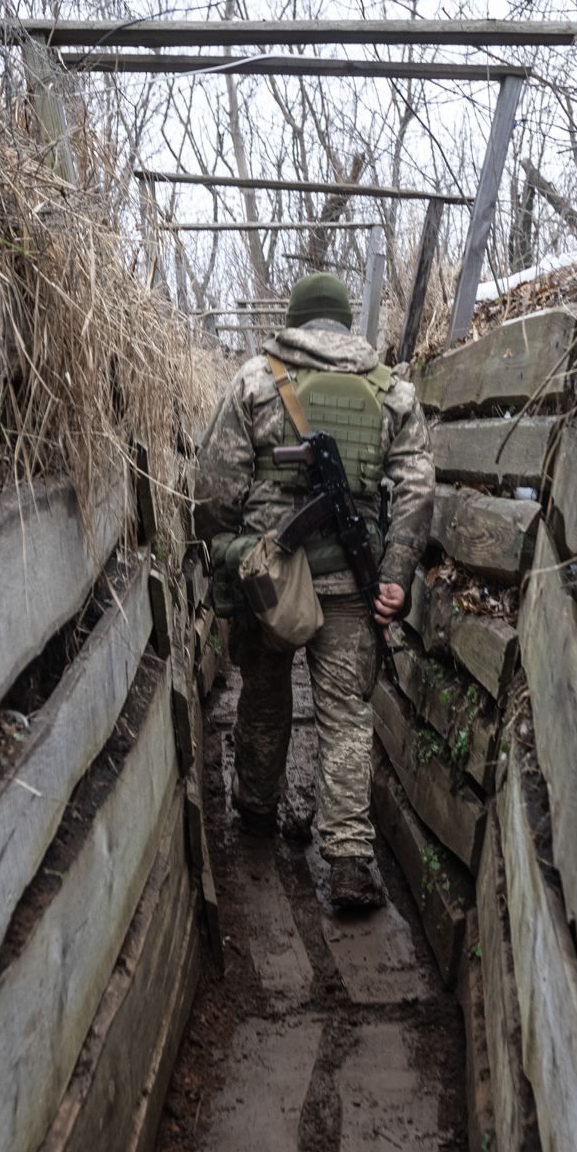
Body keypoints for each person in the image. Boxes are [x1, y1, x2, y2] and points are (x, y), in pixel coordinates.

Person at [194, 270, 435, 911]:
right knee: (346, 716)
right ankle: (350, 860)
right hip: (353, 583)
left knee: (264, 695)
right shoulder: (393, 392)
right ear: (346, 323)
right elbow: (417, 489)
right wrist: (395, 574)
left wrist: (232, 551)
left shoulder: (254, 380)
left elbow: (214, 485)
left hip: (272, 580)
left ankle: (255, 812)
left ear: (296, 321)